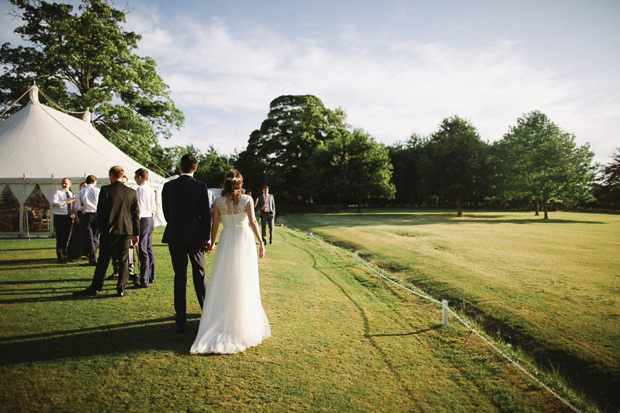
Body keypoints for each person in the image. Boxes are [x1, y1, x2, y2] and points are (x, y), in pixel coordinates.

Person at [190, 169, 270, 354]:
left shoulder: (218, 201)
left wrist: (211, 241)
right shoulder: (247, 200)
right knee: (243, 278)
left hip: (226, 239)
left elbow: (215, 225)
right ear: (239, 183)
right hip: (243, 239)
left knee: (225, 277)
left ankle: (225, 316)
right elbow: (252, 222)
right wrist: (260, 242)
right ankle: (241, 321)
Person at [162, 154, 211, 334]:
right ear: (195, 168)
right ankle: (205, 312)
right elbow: (205, 215)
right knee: (199, 273)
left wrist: (175, 225)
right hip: (195, 236)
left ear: (180, 167)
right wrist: (205, 237)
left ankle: (180, 319)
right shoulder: (200, 187)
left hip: (175, 235)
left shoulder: (168, 186)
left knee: (179, 276)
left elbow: (166, 212)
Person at [74, 166, 140, 297]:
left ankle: (96, 287)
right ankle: (121, 288)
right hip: (126, 230)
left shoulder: (106, 189)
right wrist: (136, 232)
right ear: (122, 176)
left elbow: (101, 212)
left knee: (103, 260)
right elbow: (135, 214)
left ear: (111, 176)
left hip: (110, 230)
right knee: (123, 260)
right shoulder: (131, 192)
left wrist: (102, 229)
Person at [135, 168, 156, 288]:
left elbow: (139, 207)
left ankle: (144, 278)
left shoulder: (140, 189)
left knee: (142, 248)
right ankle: (150, 275)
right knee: (148, 248)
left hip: (142, 218)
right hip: (150, 218)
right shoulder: (150, 190)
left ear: (139, 177)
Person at [77, 175, 100, 265]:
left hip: (87, 214)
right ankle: (93, 256)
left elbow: (78, 206)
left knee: (89, 236)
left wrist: (83, 209)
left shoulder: (81, 191)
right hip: (97, 214)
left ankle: (92, 257)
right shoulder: (98, 190)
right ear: (95, 181)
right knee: (95, 236)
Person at [51, 178, 75, 263]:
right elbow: (53, 203)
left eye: (66, 183)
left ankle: (65, 255)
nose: (64, 185)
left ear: (70, 184)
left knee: (66, 237)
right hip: (59, 217)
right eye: (63, 183)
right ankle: (60, 257)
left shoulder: (70, 193)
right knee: (60, 237)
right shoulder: (57, 192)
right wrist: (65, 202)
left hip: (68, 217)